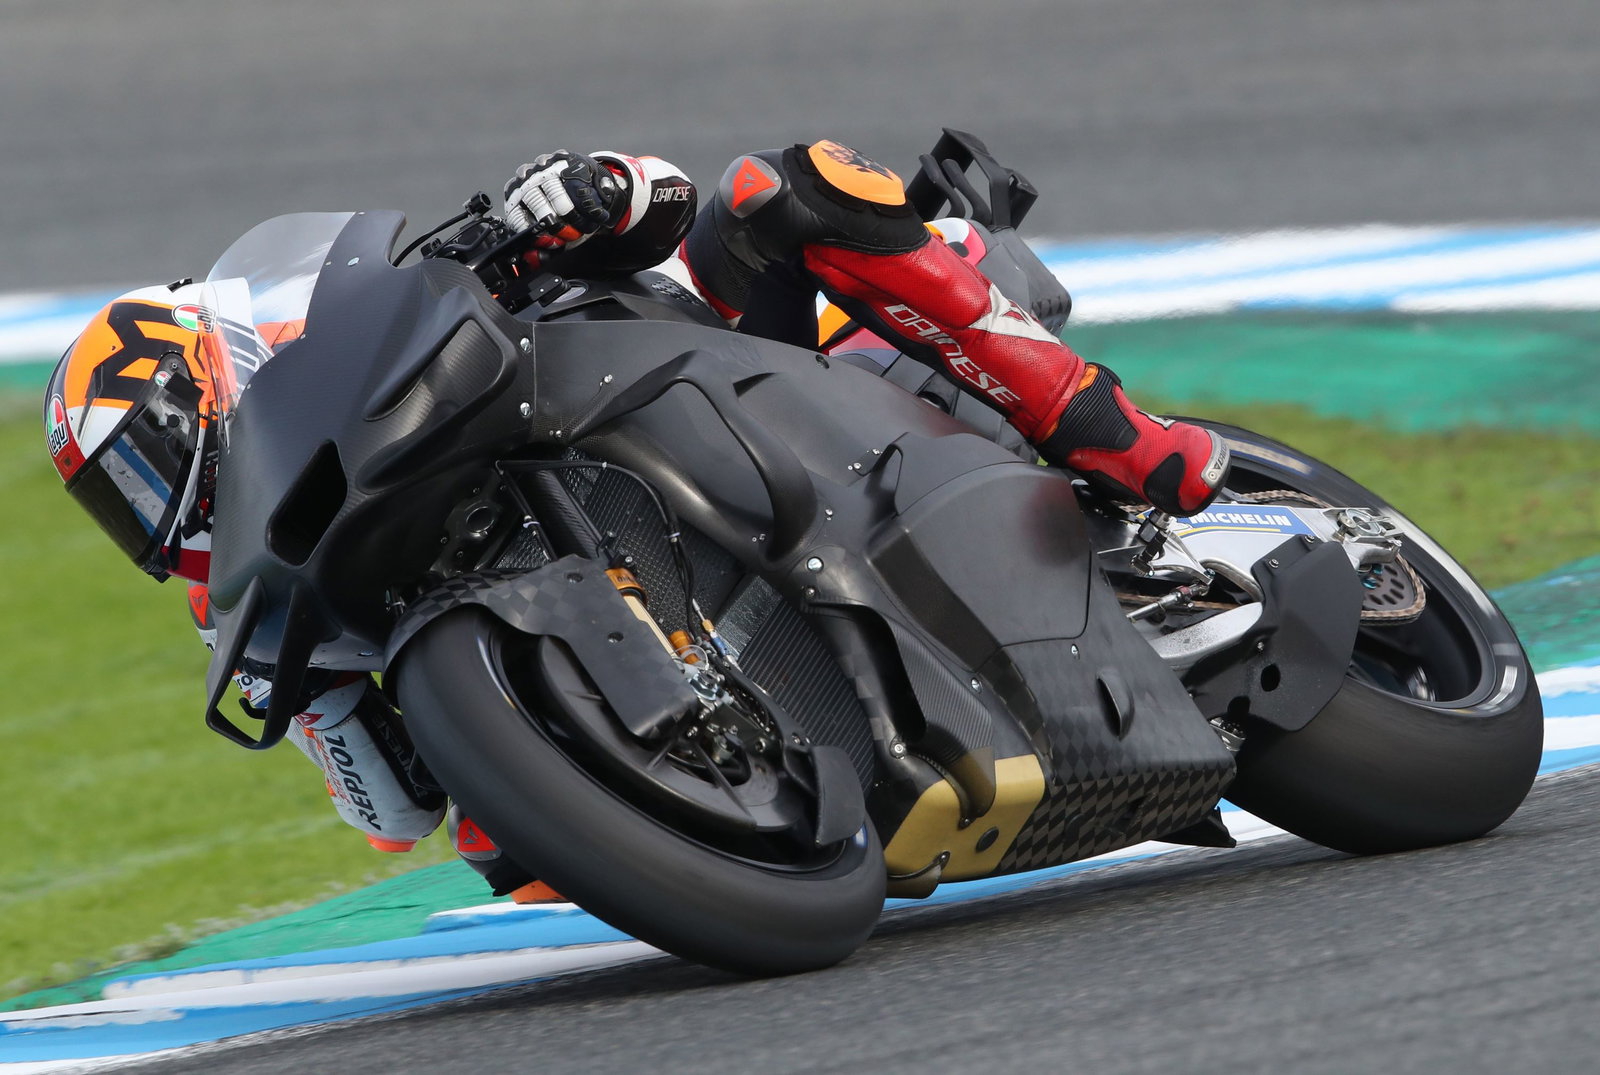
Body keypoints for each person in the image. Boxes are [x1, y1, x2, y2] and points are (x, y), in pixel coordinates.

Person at [44, 140, 1229, 897]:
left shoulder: (387, 327)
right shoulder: (254, 601)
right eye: (125, 504)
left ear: (219, 372)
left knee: (784, 187)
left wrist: (574, 195)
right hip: (709, 699)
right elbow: (396, 816)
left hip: (747, 372)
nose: (158, 512)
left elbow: (652, 194)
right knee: (497, 854)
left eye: (150, 465)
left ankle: (1127, 442)